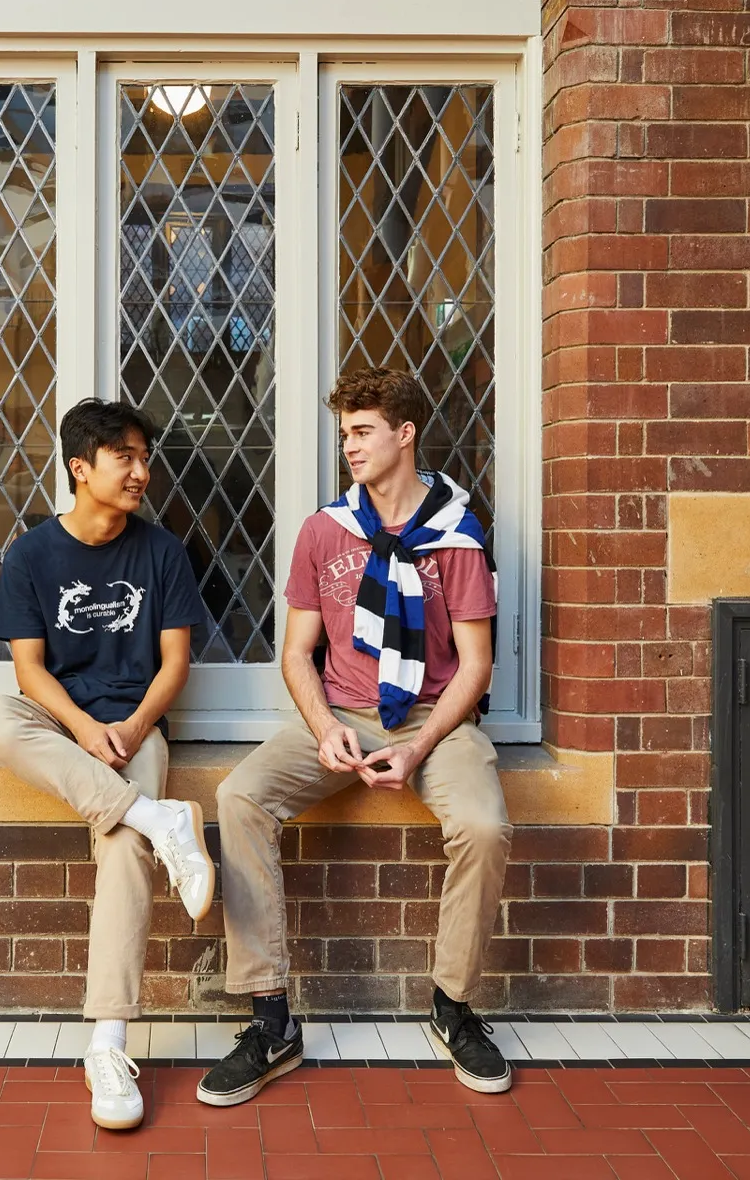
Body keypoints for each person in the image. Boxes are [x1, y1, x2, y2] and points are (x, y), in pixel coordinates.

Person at [198, 367, 513, 1106]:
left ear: (405, 434)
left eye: (364, 431)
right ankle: (271, 1018)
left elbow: (476, 665)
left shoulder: (458, 535)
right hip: (341, 712)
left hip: (434, 720)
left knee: (484, 826)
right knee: (240, 796)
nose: (350, 446)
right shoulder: (324, 530)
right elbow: (295, 653)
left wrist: (418, 746)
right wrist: (324, 728)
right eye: (345, 433)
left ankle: (453, 1006)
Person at [0, 398, 216, 1131]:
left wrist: (133, 727)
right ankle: (161, 818)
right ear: (81, 468)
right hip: (62, 722)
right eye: (125, 458)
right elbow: (28, 673)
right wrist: (81, 728)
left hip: (135, 725)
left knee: (123, 845)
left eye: (145, 458)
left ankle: (107, 1043)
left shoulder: (162, 552)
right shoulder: (32, 555)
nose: (142, 472)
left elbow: (176, 664)